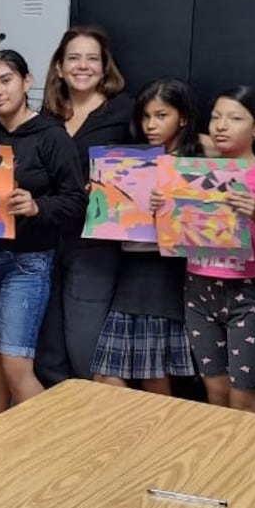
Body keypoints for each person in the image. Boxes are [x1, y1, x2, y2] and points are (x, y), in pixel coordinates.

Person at [0, 50, 86, 419]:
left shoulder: (50, 136)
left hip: (27, 262)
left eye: (6, 80)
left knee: (15, 364)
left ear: (26, 82)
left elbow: (75, 200)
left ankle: (52, 448)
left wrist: (37, 207)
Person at [35, 26, 133, 387]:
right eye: (73, 58)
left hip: (95, 244)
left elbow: (154, 162)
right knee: (47, 355)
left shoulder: (124, 111)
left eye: (92, 58)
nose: (82, 66)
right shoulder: (45, 116)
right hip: (45, 240)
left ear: (105, 67)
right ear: (59, 67)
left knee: (86, 350)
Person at [90, 79, 200, 393]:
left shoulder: (195, 162)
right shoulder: (129, 158)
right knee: (106, 376)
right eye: (145, 116)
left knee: (154, 375)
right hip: (129, 264)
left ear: (183, 118)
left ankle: (161, 440)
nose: (151, 124)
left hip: (165, 269)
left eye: (161, 115)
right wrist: (101, 199)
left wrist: (174, 200)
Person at [186, 86, 255, 413]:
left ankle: (251, 463)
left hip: (248, 291)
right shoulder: (193, 174)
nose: (221, 126)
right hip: (198, 289)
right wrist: (162, 205)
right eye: (215, 118)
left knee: (245, 396)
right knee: (215, 393)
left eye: (235, 118)